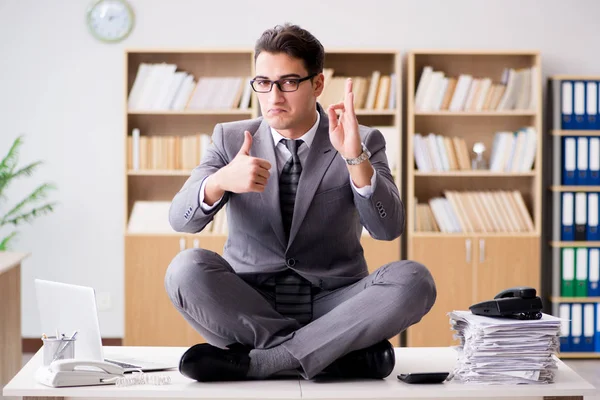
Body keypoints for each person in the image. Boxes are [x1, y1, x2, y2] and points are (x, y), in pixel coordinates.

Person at [164, 23, 436, 382]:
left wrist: (355, 159)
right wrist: (218, 182)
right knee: (185, 268)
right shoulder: (229, 139)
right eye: (263, 82)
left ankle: (261, 362)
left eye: (289, 82)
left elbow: (388, 229)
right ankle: (330, 354)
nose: (274, 96)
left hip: (335, 305)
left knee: (414, 279)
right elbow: (181, 219)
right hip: (249, 306)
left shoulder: (362, 138)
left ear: (318, 84)